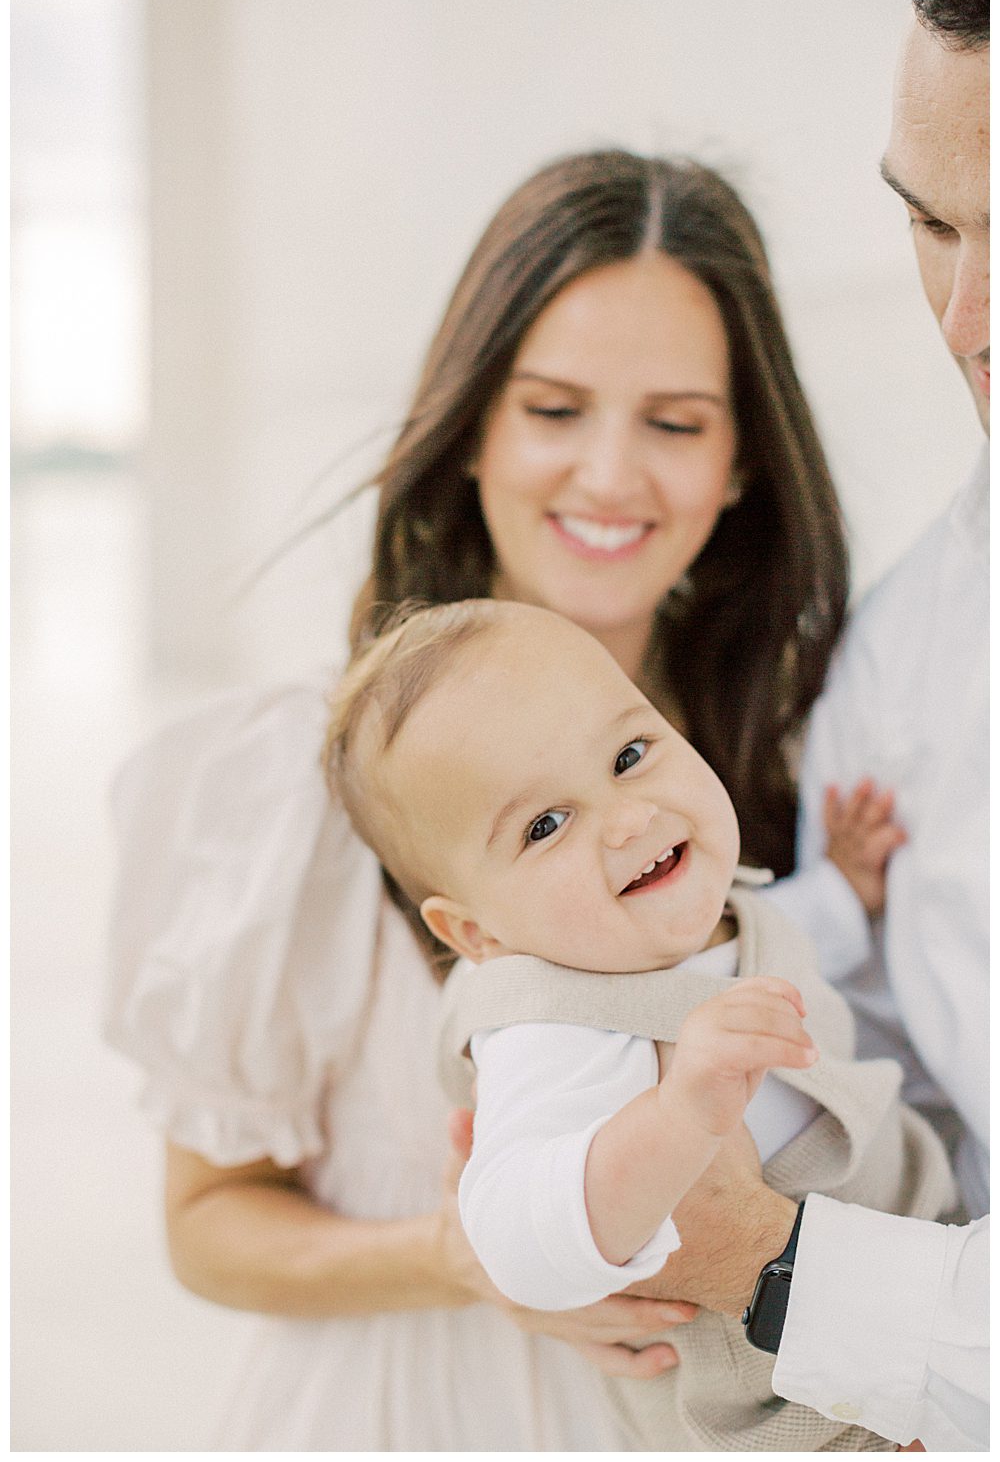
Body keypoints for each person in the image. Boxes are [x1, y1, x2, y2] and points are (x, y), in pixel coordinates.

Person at [107, 149, 855, 1450]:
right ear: (471, 434)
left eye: (675, 423)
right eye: (554, 409)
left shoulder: (785, 758)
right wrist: (467, 1254)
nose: (611, 475)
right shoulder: (291, 787)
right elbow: (205, 1224)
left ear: (741, 464)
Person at [323, 595, 953, 1451]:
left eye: (628, 753)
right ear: (478, 934)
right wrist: (678, 1116)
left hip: (925, 1263)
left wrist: (842, 891)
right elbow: (514, 1231)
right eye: (544, 826)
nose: (629, 817)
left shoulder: (691, 911)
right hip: (798, 1409)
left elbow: (764, 943)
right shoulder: (552, 1032)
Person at [625, 0, 989, 1452]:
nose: (968, 321)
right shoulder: (904, 656)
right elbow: (904, 1101)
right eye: (933, 223)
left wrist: (770, 1265)